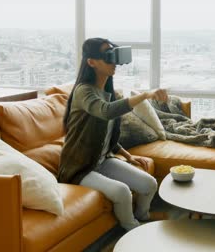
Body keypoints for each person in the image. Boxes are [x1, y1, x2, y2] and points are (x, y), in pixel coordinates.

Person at [58, 38, 168, 231]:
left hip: (102, 161)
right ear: (91, 62)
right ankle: (132, 229)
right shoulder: (84, 91)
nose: (114, 62)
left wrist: (128, 156)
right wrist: (146, 95)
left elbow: (106, 136)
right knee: (122, 191)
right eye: (108, 57)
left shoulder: (107, 91)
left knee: (149, 184)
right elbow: (107, 111)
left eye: (114, 56)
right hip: (79, 167)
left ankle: (142, 217)